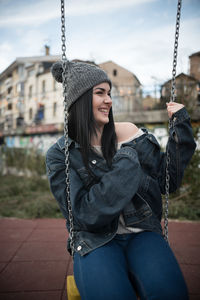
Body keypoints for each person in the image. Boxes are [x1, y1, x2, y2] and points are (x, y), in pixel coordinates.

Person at [46, 60, 196, 300]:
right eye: (100, 93)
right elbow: (85, 214)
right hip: (95, 240)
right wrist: (126, 159)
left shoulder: (133, 136)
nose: (109, 100)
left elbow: (169, 181)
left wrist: (181, 128)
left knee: (170, 293)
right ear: (80, 99)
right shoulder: (60, 155)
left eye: (109, 93)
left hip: (142, 232)